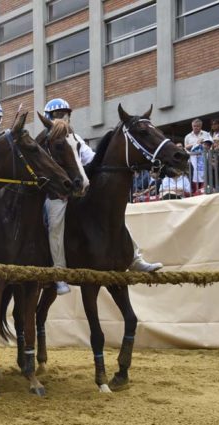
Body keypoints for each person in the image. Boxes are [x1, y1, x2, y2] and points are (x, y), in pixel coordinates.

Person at [42, 99, 162, 296]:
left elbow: (92, 159)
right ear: (48, 118)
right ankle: (59, 273)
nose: (62, 117)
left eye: (65, 113)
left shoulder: (75, 138)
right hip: (58, 194)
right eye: (57, 114)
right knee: (55, 224)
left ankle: (134, 258)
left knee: (113, 218)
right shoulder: (47, 140)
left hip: (80, 191)